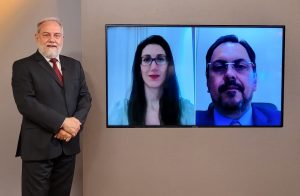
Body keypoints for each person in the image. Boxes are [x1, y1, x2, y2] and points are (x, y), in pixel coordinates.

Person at [11, 17, 92, 196]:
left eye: (57, 35)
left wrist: (74, 125)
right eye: (46, 34)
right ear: (37, 37)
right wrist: (63, 123)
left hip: (68, 145)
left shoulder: (74, 66)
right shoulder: (23, 66)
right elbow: (26, 103)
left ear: (62, 38)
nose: (52, 39)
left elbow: (85, 98)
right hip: (38, 147)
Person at [196, 34, 281, 126]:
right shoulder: (188, 121)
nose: (230, 74)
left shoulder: (285, 121)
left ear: (255, 81)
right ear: (208, 82)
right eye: (219, 67)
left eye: (240, 66)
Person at [109, 35, 194, 126]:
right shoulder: (121, 112)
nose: (153, 67)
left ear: (169, 66)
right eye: (146, 59)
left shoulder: (187, 110)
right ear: (139, 68)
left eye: (160, 59)